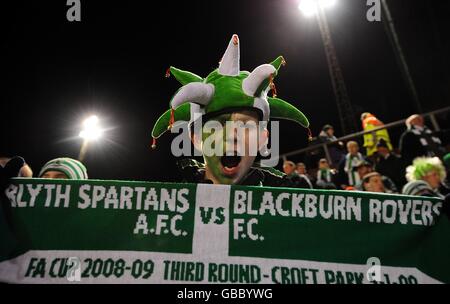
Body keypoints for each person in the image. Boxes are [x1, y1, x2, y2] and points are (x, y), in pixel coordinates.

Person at [150, 35, 310, 187]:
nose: (232, 135)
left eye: (246, 126)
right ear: (197, 138)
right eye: (217, 125)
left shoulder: (286, 204)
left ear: (262, 139)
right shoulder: (167, 205)